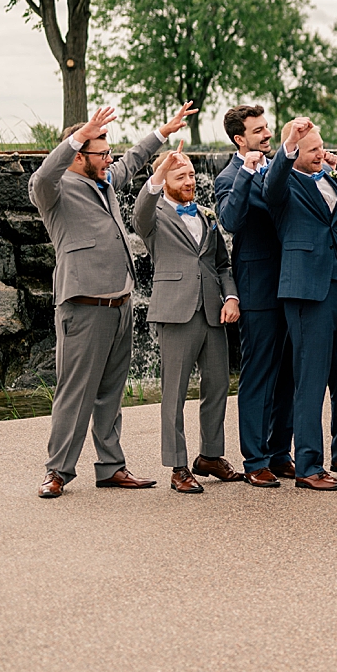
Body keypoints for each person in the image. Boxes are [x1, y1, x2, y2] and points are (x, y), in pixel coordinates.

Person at [33, 101, 196, 499]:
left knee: (110, 393)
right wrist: (78, 135)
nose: (110, 159)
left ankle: (111, 467)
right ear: (79, 155)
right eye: (102, 153)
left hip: (120, 305)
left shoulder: (103, 180)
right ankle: (58, 471)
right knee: (75, 393)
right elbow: (41, 176)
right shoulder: (54, 190)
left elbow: (135, 159)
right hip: (83, 307)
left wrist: (164, 131)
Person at [258, 117, 337, 491]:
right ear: (294, 153)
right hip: (305, 290)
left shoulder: (328, 180)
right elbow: (272, 185)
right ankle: (307, 465)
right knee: (310, 379)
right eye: (313, 150)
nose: (321, 154)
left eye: (322, 147)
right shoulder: (281, 182)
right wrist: (289, 143)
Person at [132, 141, 244, 493]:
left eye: (192, 175)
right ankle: (178, 466)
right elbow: (138, 215)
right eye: (181, 176)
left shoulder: (206, 215)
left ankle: (210, 455)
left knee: (217, 387)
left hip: (213, 313)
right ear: (165, 180)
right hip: (176, 312)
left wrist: (231, 297)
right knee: (174, 393)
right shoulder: (154, 217)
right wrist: (158, 173)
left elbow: (221, 265)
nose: (190, 181)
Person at [215, 104, 295, 486]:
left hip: (293, 283)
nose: (266, 134)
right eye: (258, 130)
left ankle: (280, 453)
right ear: (239, 139)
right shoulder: (229, 176)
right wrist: (248, 172)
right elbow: (230, 220)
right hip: (258, 286)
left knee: (288, 374)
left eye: (267, 128)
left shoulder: (281, 165)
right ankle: (255, 459)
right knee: (259, 374)